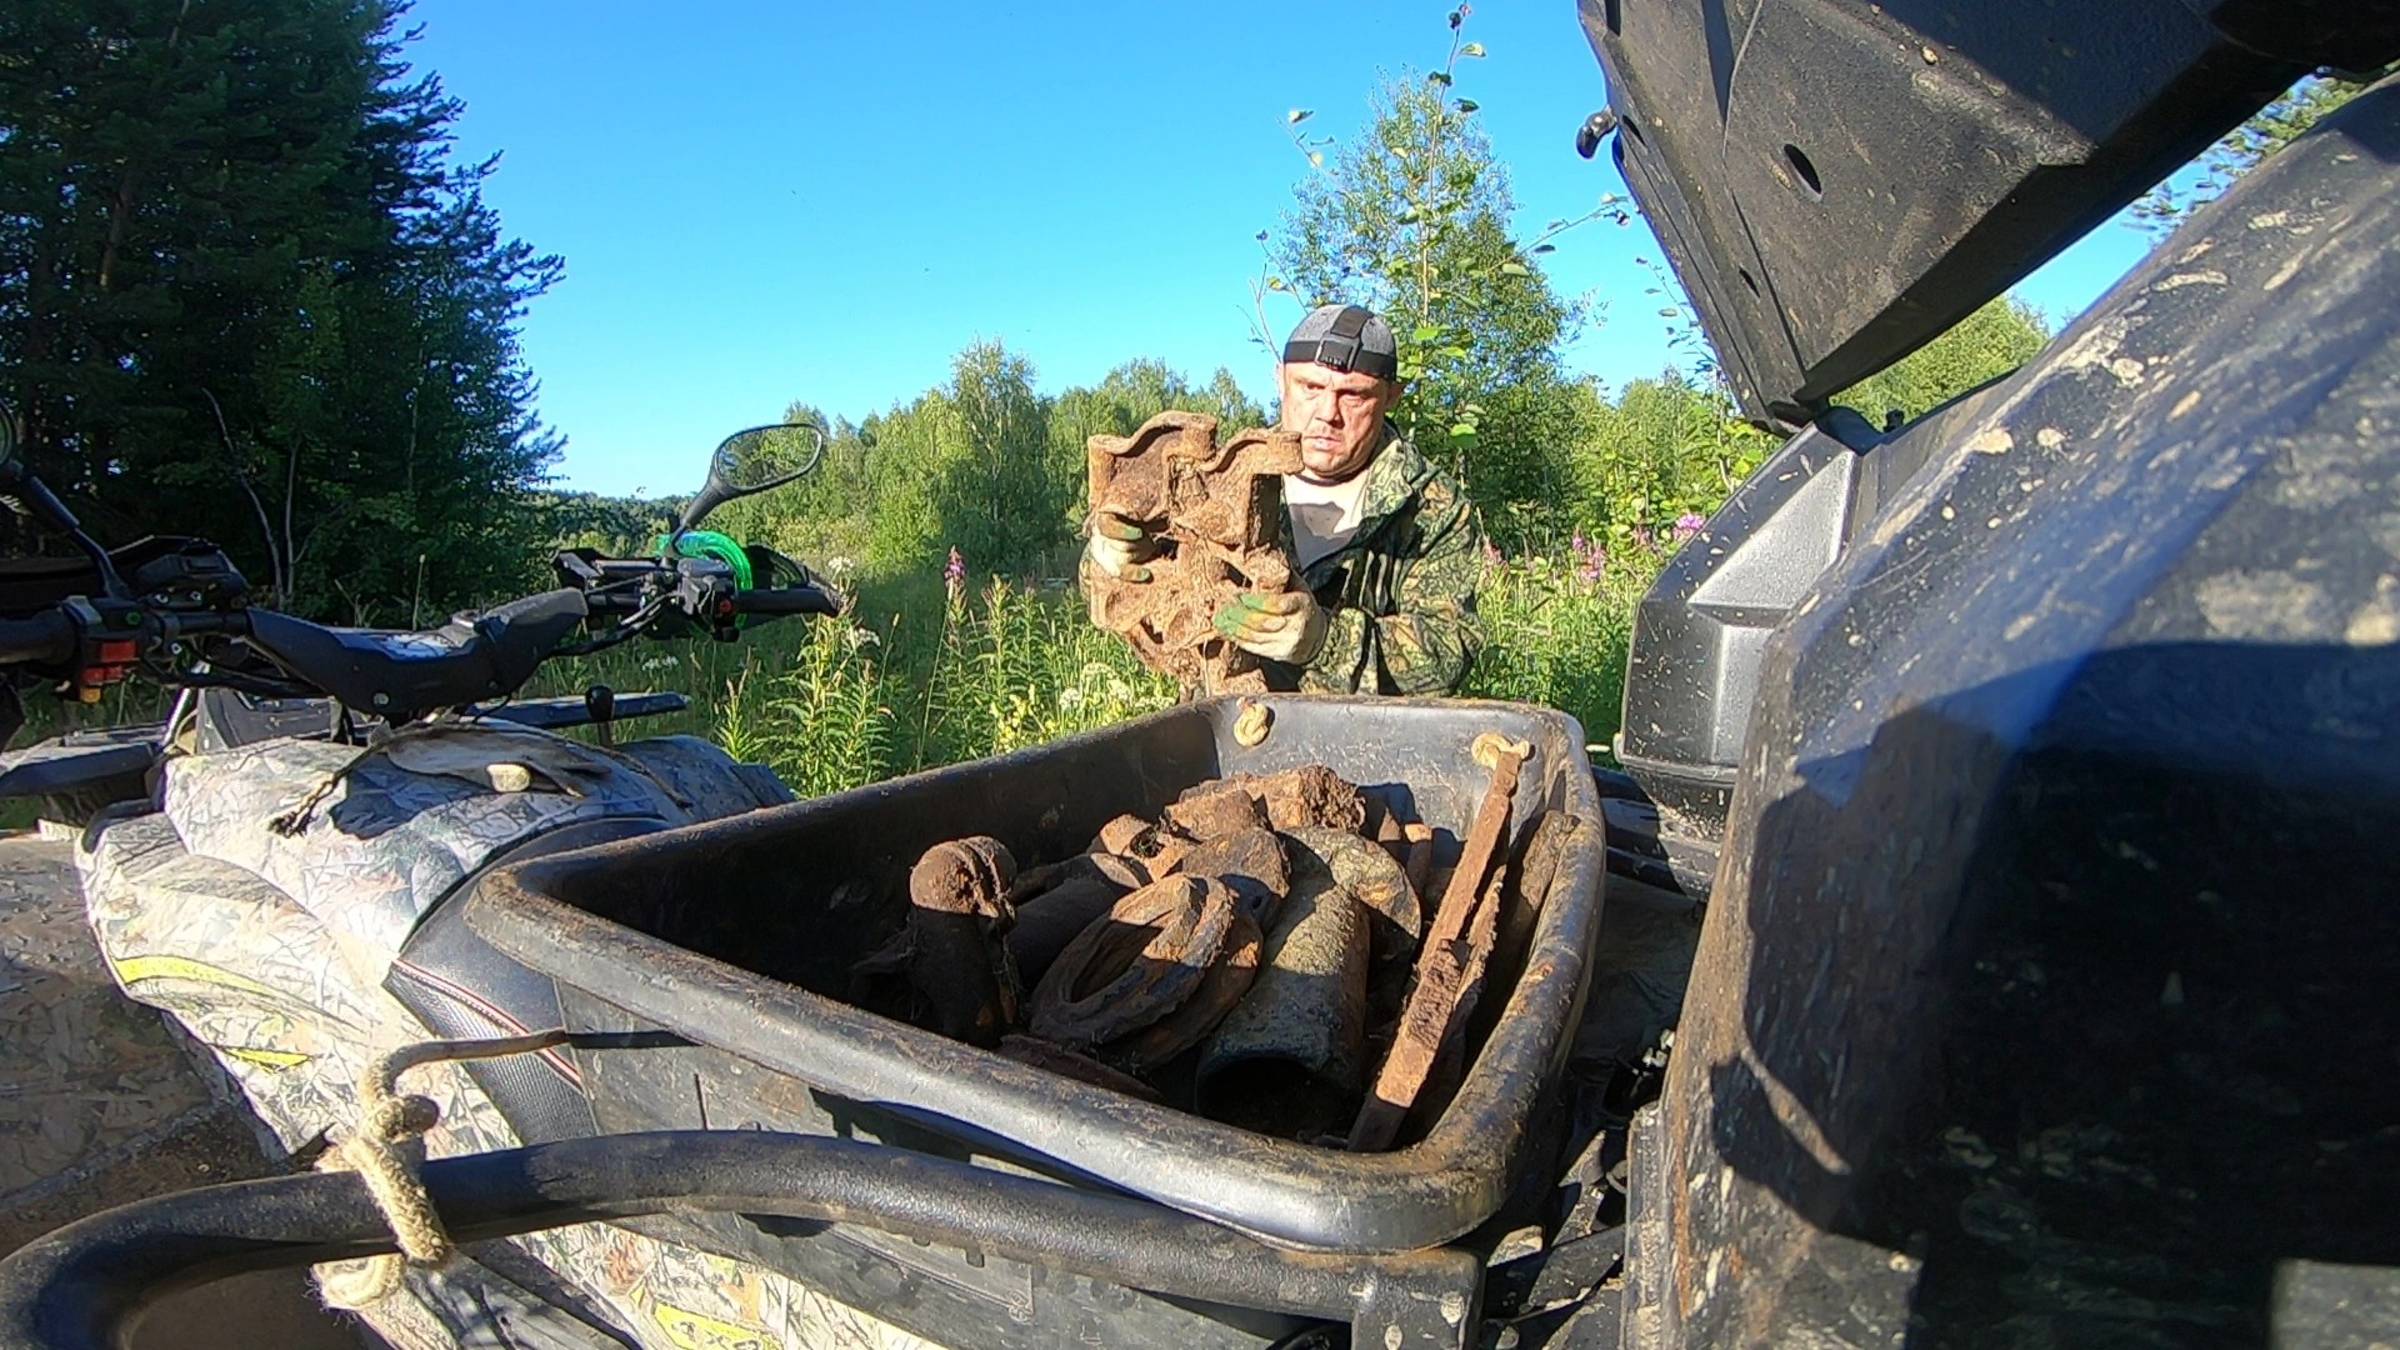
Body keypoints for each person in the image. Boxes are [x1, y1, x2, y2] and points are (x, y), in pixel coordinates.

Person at [1086, 303, 1484, 695]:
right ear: (1280, 379)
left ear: (1392, 396)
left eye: (1353, 396)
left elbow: (1451, 649)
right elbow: (1118, 592)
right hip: (1223, 726)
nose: (1327, 413)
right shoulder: (1223, 475)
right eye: (1310, 388)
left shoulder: (1429, 506)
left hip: (1362, 734)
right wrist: (1113, 559)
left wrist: (1323, 642)